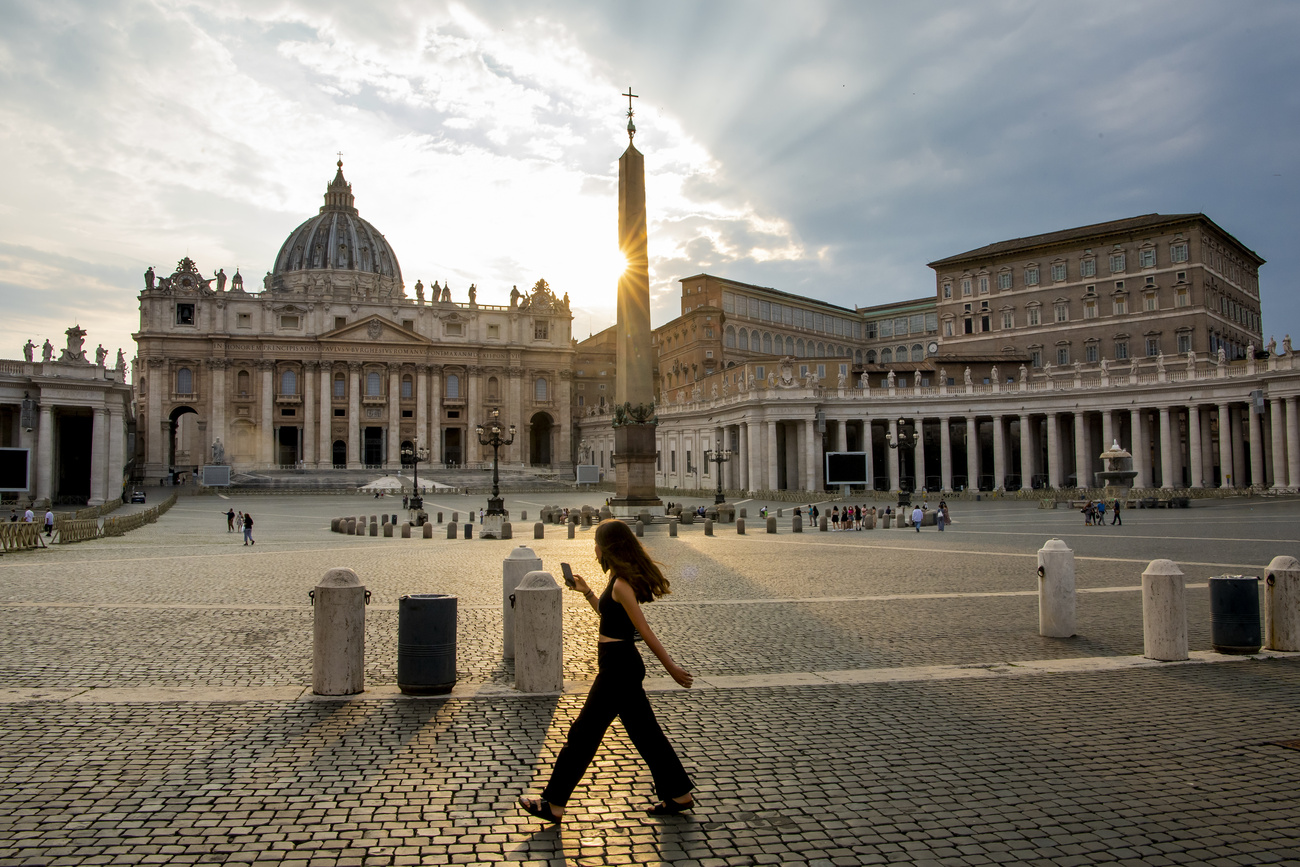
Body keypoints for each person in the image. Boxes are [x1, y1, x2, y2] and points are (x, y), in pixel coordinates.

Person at [519, 519, 695, 824]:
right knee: (646, 734)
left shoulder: (622, 584)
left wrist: (671, 667)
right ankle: (679, 793)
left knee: (583, 734)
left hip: (618, 668)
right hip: (618, 665)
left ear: (608, 547)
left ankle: (554, 802)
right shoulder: (616, 580)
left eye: (596, 543)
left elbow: (644, 630)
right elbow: (608, 615)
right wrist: (587, 591)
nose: (594, 549)